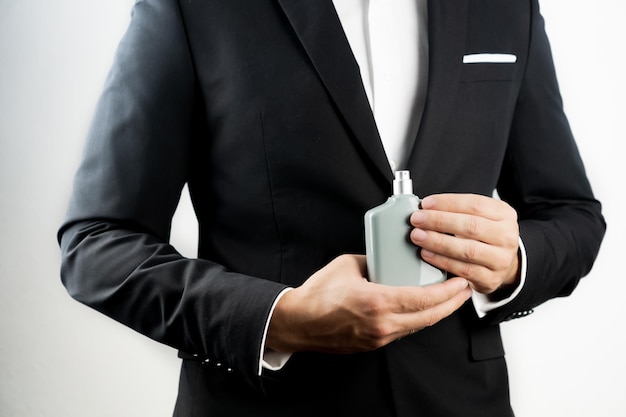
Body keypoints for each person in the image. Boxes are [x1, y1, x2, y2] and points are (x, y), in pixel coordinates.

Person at [58, 0, 605, 416]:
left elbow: (572, 212)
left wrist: (513, 263)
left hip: (463, 401)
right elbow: (98, 243)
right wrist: (280, 319)